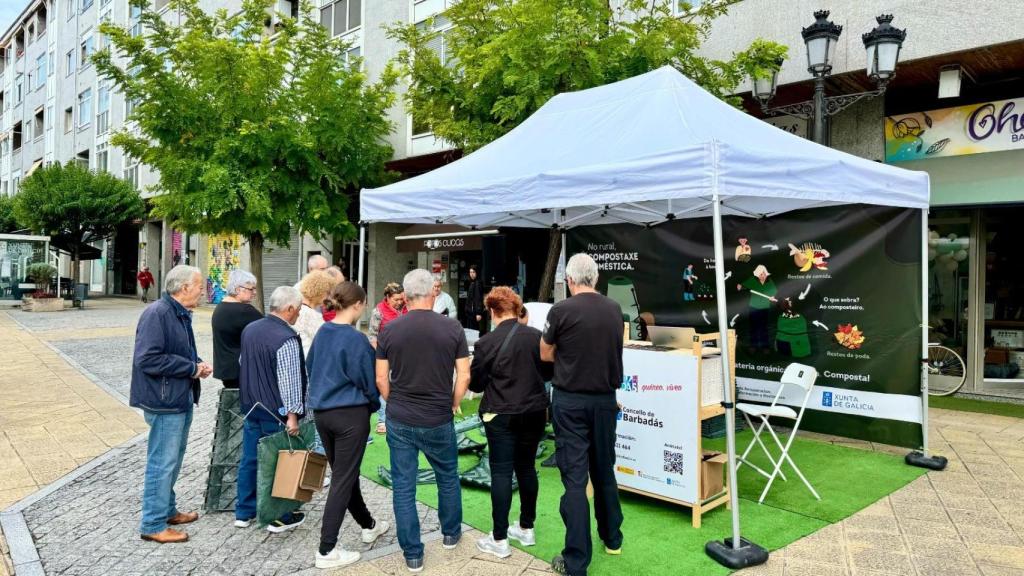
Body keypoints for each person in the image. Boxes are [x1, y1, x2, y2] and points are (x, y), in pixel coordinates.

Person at [376, 269, 470, 573]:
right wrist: (453, 402)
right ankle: (451, 533)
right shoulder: (452, 328)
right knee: (447, 475)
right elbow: (464, 375)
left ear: (405, 295)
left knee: (404, 486)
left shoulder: (390, 329)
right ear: (433, 292)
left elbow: (381, 378)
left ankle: (413, 553)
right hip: (438, 415)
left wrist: (393, 401)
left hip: (401, 416)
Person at [540, 253, 625, 576]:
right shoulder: (614, 309)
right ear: (596, 278)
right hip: (604, 400)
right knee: (604, 469)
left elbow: (545, 352)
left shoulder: (560, 310)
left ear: (570, 280)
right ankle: (612, 538)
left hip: (570, 401)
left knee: (575, 479)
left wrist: (568, 355)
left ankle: (576, 561)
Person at [307, 282, 390, 569]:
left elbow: (310, 367)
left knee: (345, 474)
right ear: (357, 305)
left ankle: (368, 524)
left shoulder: (323, 332)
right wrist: (373, 405)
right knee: (343, 479)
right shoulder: (356, 340)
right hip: (350, 415)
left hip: (323, 413)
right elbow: (369, 381)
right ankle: (326, 549)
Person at [130, 265, 213, 544]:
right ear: (184, 288)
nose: (202, 291)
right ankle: (153, 524)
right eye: (199, 286)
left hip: (178, 397)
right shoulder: (158, 313)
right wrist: (190, 368)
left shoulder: (178, 313)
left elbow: (177, 351)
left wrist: (196, 364)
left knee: (172, 459)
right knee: (162, 463)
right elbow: (147, 358)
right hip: (164, 401)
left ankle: (167, 510)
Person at [470, 287, 552, 559]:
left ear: (492, 311)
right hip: (535, 410)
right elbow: (548, 372)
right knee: (527, 468)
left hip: (500, 413)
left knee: (502, 473)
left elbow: (477, 383)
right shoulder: (536, 337)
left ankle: (499, 538)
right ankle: (527, 527)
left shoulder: (486, 343)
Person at [236, 286, 307, 534]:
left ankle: (244, 512)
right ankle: (278, 516)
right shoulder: (286, 337)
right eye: (298, 309)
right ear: (289, 309)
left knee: (249, 459)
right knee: (279, 463)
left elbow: (242, 363)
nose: (299, 314)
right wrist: (293, 416)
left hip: (251, 406)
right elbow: (290, 381)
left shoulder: (250, 329)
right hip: (276, 411)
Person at [211, 270, 263, 390]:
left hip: (226, 369)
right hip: (242, 370)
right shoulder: (244, 311)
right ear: (238, 289)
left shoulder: (220, 307)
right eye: (251, 289)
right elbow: (269, 330)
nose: (255, 292)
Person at [368, 282, 407, 435]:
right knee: (384, 384)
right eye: (396, 299)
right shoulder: (378, 311)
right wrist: (380, 354)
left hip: (404, 355)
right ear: (388, 297)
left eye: (401, 299)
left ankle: (401, 417)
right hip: (385, 356)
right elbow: (372, 336)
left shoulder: (407, 308)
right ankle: (383, 420)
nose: (400, 302)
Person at [294, 270, 339, 356]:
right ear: (320, 292)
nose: (328, 297)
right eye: (327, 293)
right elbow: (326, 340)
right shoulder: (311, 314)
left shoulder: (298, 309)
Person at [737, 264, 778, 354]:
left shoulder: (769, 282)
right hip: (753, 307)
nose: (762, 276)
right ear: (757, 275)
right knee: (753, 328)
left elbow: (774, 291)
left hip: (764, 308)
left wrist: (772, 296)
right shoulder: (753, 280)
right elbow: (743, 286)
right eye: (760, 274)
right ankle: (753, 346)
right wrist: (740, 286)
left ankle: (765, 346)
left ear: (766, 273)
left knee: (763, 328)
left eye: (764, 274)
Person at [465, 265, 486, 334]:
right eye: (470, 272)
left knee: (474, 331)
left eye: (473, 272)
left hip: (474, 312)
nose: (471, 274)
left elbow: (478, 298)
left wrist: (478, 313)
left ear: (477, 272)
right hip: (471, 311)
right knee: (471, 331)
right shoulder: (472, 282)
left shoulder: (478, 283)